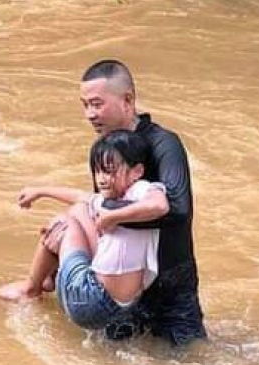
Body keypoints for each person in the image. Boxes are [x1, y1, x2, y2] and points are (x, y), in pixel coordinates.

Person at [0, 59, 206, 346]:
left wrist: (103, 214)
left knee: (192, 363)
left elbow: (178, 210)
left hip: (170, 280)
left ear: (128, 100)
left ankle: (39, 283)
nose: (89, 115)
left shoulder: (164, 144)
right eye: (84, 105)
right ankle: (50, 278)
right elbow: (102, 214)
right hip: (127, 282)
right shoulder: (106, 150)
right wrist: (72, 248)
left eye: (97, 104)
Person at [27, 131, 168, 332]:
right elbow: (80, 196)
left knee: (65, 221)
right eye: (98, 171)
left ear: (137, 172)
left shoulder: (140, 190)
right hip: (122, 308)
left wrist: (113, 217)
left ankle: (32, 288)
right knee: (79, 209)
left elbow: (160, 206)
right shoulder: (116, 198)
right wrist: (41, 191)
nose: (101, 179)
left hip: (90, 300)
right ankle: (49, 275)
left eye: (109, 171)